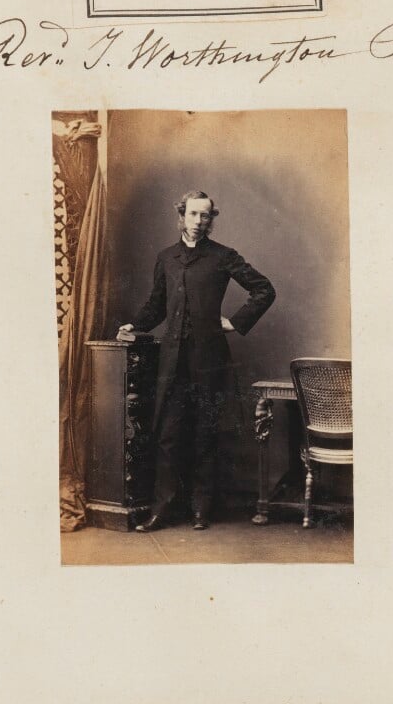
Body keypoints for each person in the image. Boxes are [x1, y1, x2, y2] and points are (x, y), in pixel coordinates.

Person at [117, 190, 276, 531]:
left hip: (209, 359)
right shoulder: (166, 258)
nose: (199, 221)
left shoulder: (222, 256)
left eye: (205, 215)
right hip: (171, 361)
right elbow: (156, 304)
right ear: (182, 215)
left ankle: (201, 509)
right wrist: (135, 324)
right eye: (193, 214)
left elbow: (264, 289)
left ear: (211, 219)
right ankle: (161, 509)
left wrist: (235, 322)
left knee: (205, 432)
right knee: (168, 435)